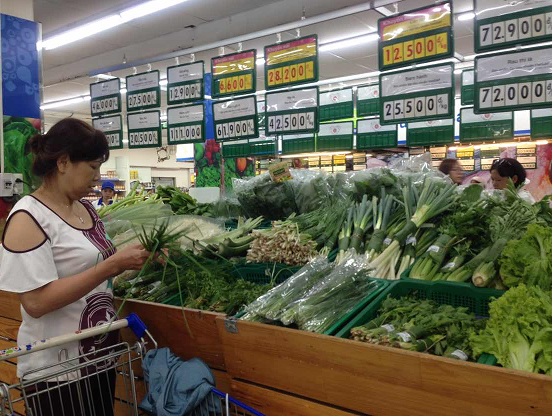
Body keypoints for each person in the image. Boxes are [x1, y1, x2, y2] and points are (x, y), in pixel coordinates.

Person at [0, 118, 152, 415]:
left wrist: (138, 257)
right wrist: (111, 266)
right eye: (92, 167)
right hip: (57, 369)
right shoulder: (28, 217)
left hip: (98, 357)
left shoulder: (84, 209)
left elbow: (92, 267)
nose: (97, 177)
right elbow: (35, 302)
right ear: (64, 162)